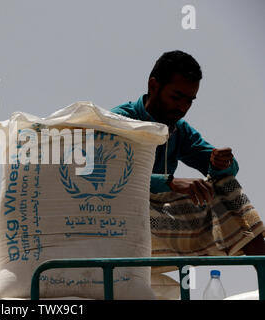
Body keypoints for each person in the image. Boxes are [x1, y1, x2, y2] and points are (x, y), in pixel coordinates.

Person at [111, 50, 265, 259]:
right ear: (153, 86)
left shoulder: (179, 130)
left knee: (225, 186)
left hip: (163, 216)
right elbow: (114, 178)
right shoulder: (120, 121)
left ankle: (261, 267)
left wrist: (221, 163)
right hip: (122, 216)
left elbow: (229, 170)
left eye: (190, 101)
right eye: (176, 97)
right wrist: (171, 183)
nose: (183, 107)